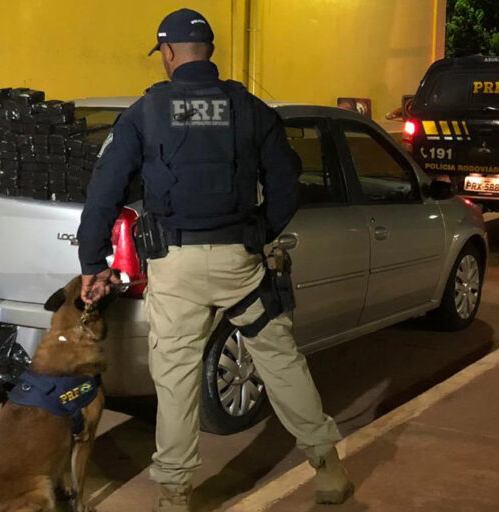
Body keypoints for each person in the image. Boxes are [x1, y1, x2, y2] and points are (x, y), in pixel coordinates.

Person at [77, 8, 353, 511]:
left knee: (177, 377)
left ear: (167, 53)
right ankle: (327, 467)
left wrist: (92, 262)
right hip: (240, 264)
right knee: (279, 359)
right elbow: (289, 185)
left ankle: (175, 496)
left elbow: (104, 194)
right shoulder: (248, 108)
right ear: (210, 51)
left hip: (175, 266)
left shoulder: (145, 112)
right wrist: (259, 232)